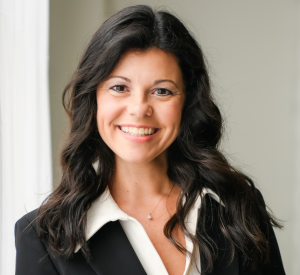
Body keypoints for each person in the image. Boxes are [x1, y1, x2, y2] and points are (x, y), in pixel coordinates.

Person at [15, 5, 286, 275]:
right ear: (94, 98)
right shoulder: (42, 238)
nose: (139, 108)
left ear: (187, 101)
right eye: (119, 87)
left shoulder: (239, 207)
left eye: (162, 91)